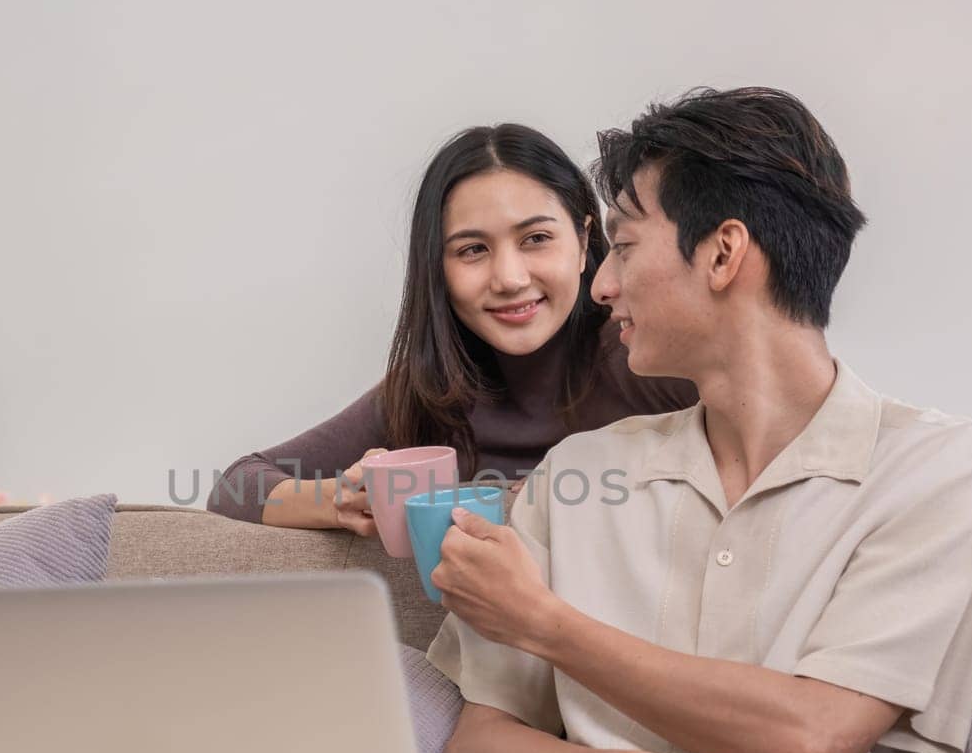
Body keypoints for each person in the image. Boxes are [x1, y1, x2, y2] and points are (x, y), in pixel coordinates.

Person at [421, 87, 972, 753]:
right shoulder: (582, 472)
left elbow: (808, 742)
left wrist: (549, 623)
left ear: (722, 254)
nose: (601, 285)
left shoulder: (944, 471)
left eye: (625, 247)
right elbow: (478, 749)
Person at [206, 124, 696, 532]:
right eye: (472, 250)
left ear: (584, 237)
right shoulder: (430, 390)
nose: (510, 278)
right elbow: (236, 486)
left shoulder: (647, 356)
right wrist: (340, 498)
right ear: (436, 266)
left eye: (536, 238)